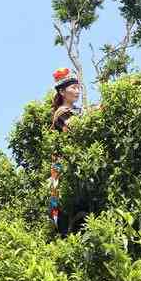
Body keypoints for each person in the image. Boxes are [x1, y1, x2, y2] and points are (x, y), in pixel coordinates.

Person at [49, 67, 82, 235]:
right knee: (62, 209)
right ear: (62, 91)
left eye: (78, 88)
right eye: (73, 88)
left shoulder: (77, 111)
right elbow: (76, 128)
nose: (77, 91)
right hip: (62, 167)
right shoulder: (61, 113)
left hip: (74, 164)